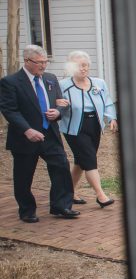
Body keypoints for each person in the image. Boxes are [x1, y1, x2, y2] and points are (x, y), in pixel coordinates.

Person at [0, 44, 79, 222]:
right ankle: (27, 210)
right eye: (39, 62)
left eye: (45, 62)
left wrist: (58, 111)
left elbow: (62, 102)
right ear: (27, 61)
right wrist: (27, 130)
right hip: (25, 137)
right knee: (24, 176)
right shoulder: (10, 82)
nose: (43, 66)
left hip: (50, 133)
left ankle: (61, 206)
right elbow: (9, 110)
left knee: (60, 167)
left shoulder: (50, 79)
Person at [59, 50, 118, 208]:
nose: (83, 69)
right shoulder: (63, 85)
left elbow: (107, 102)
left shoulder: (99, 83)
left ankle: (69, 191)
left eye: (85, 65)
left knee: (81, 161)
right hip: (74, 127)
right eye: (79, 66)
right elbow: (57, 106)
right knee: (90, 160)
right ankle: (101, 195)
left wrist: (112, 118)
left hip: (94, 125)